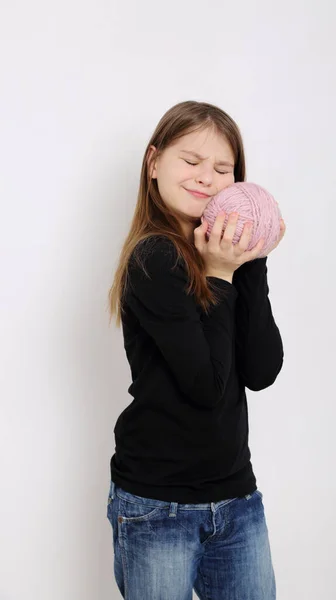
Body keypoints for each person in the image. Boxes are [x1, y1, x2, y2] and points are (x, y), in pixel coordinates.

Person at [106, 100, 286, 600]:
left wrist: (253, 263)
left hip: (236, 497)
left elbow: (261, 369)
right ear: (154, 162)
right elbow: (206, 387)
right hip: (158, 506)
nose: (207, 177)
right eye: (191, 161)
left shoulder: (225, 257)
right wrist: (221, 274)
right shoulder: (154, 257)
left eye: (223, 168)